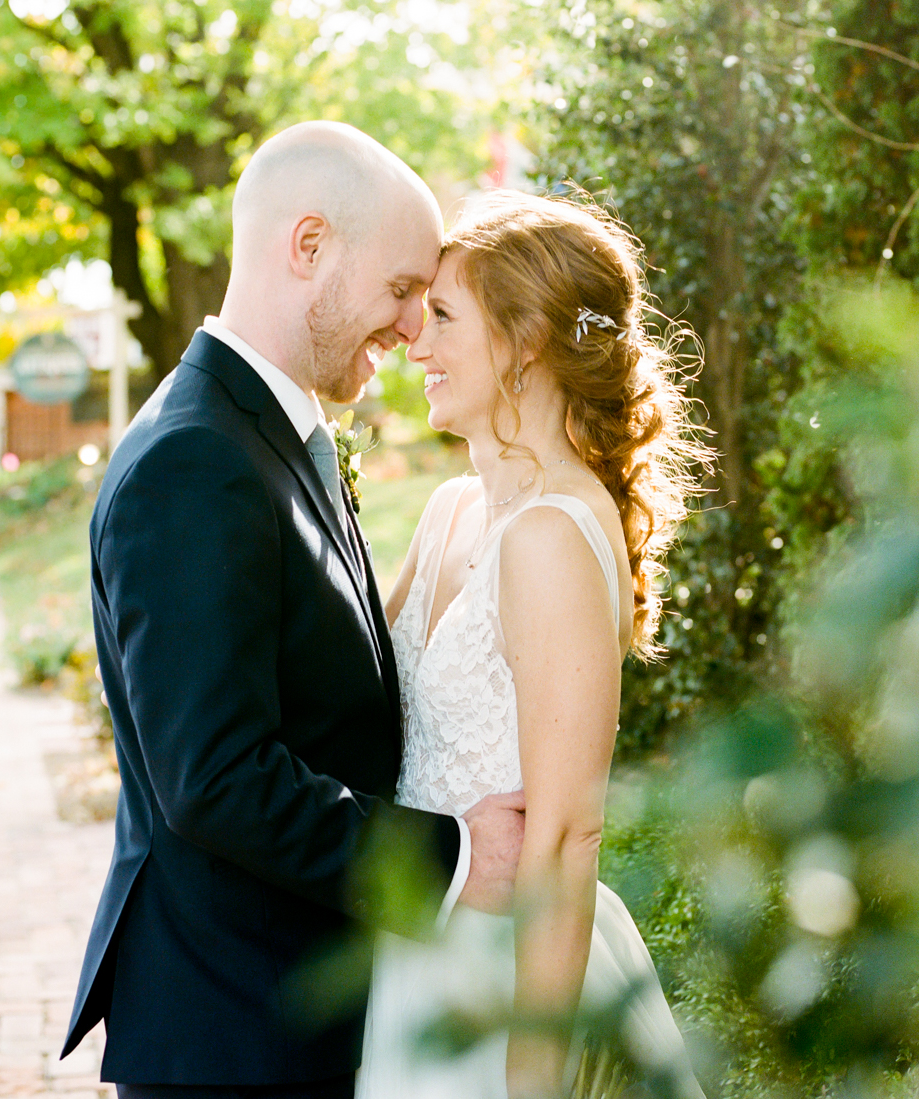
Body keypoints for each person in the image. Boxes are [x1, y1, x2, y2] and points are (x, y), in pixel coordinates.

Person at [60, 121, 527, 1099]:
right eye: (402, 289)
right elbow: (217, 774)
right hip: (233, 1036)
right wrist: (450, 857)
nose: (412, 327)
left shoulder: (269, 429)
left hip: (289, 1013)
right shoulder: (195, 463)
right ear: (308, 246)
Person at [357, 191, 711, 1099]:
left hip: (508, 975)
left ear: (525, 341)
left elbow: (564, 833)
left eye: (441, 316)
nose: (414, 340)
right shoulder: (450, 512)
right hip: (417, 951)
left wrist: (533, 1069)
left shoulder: (552, 535)